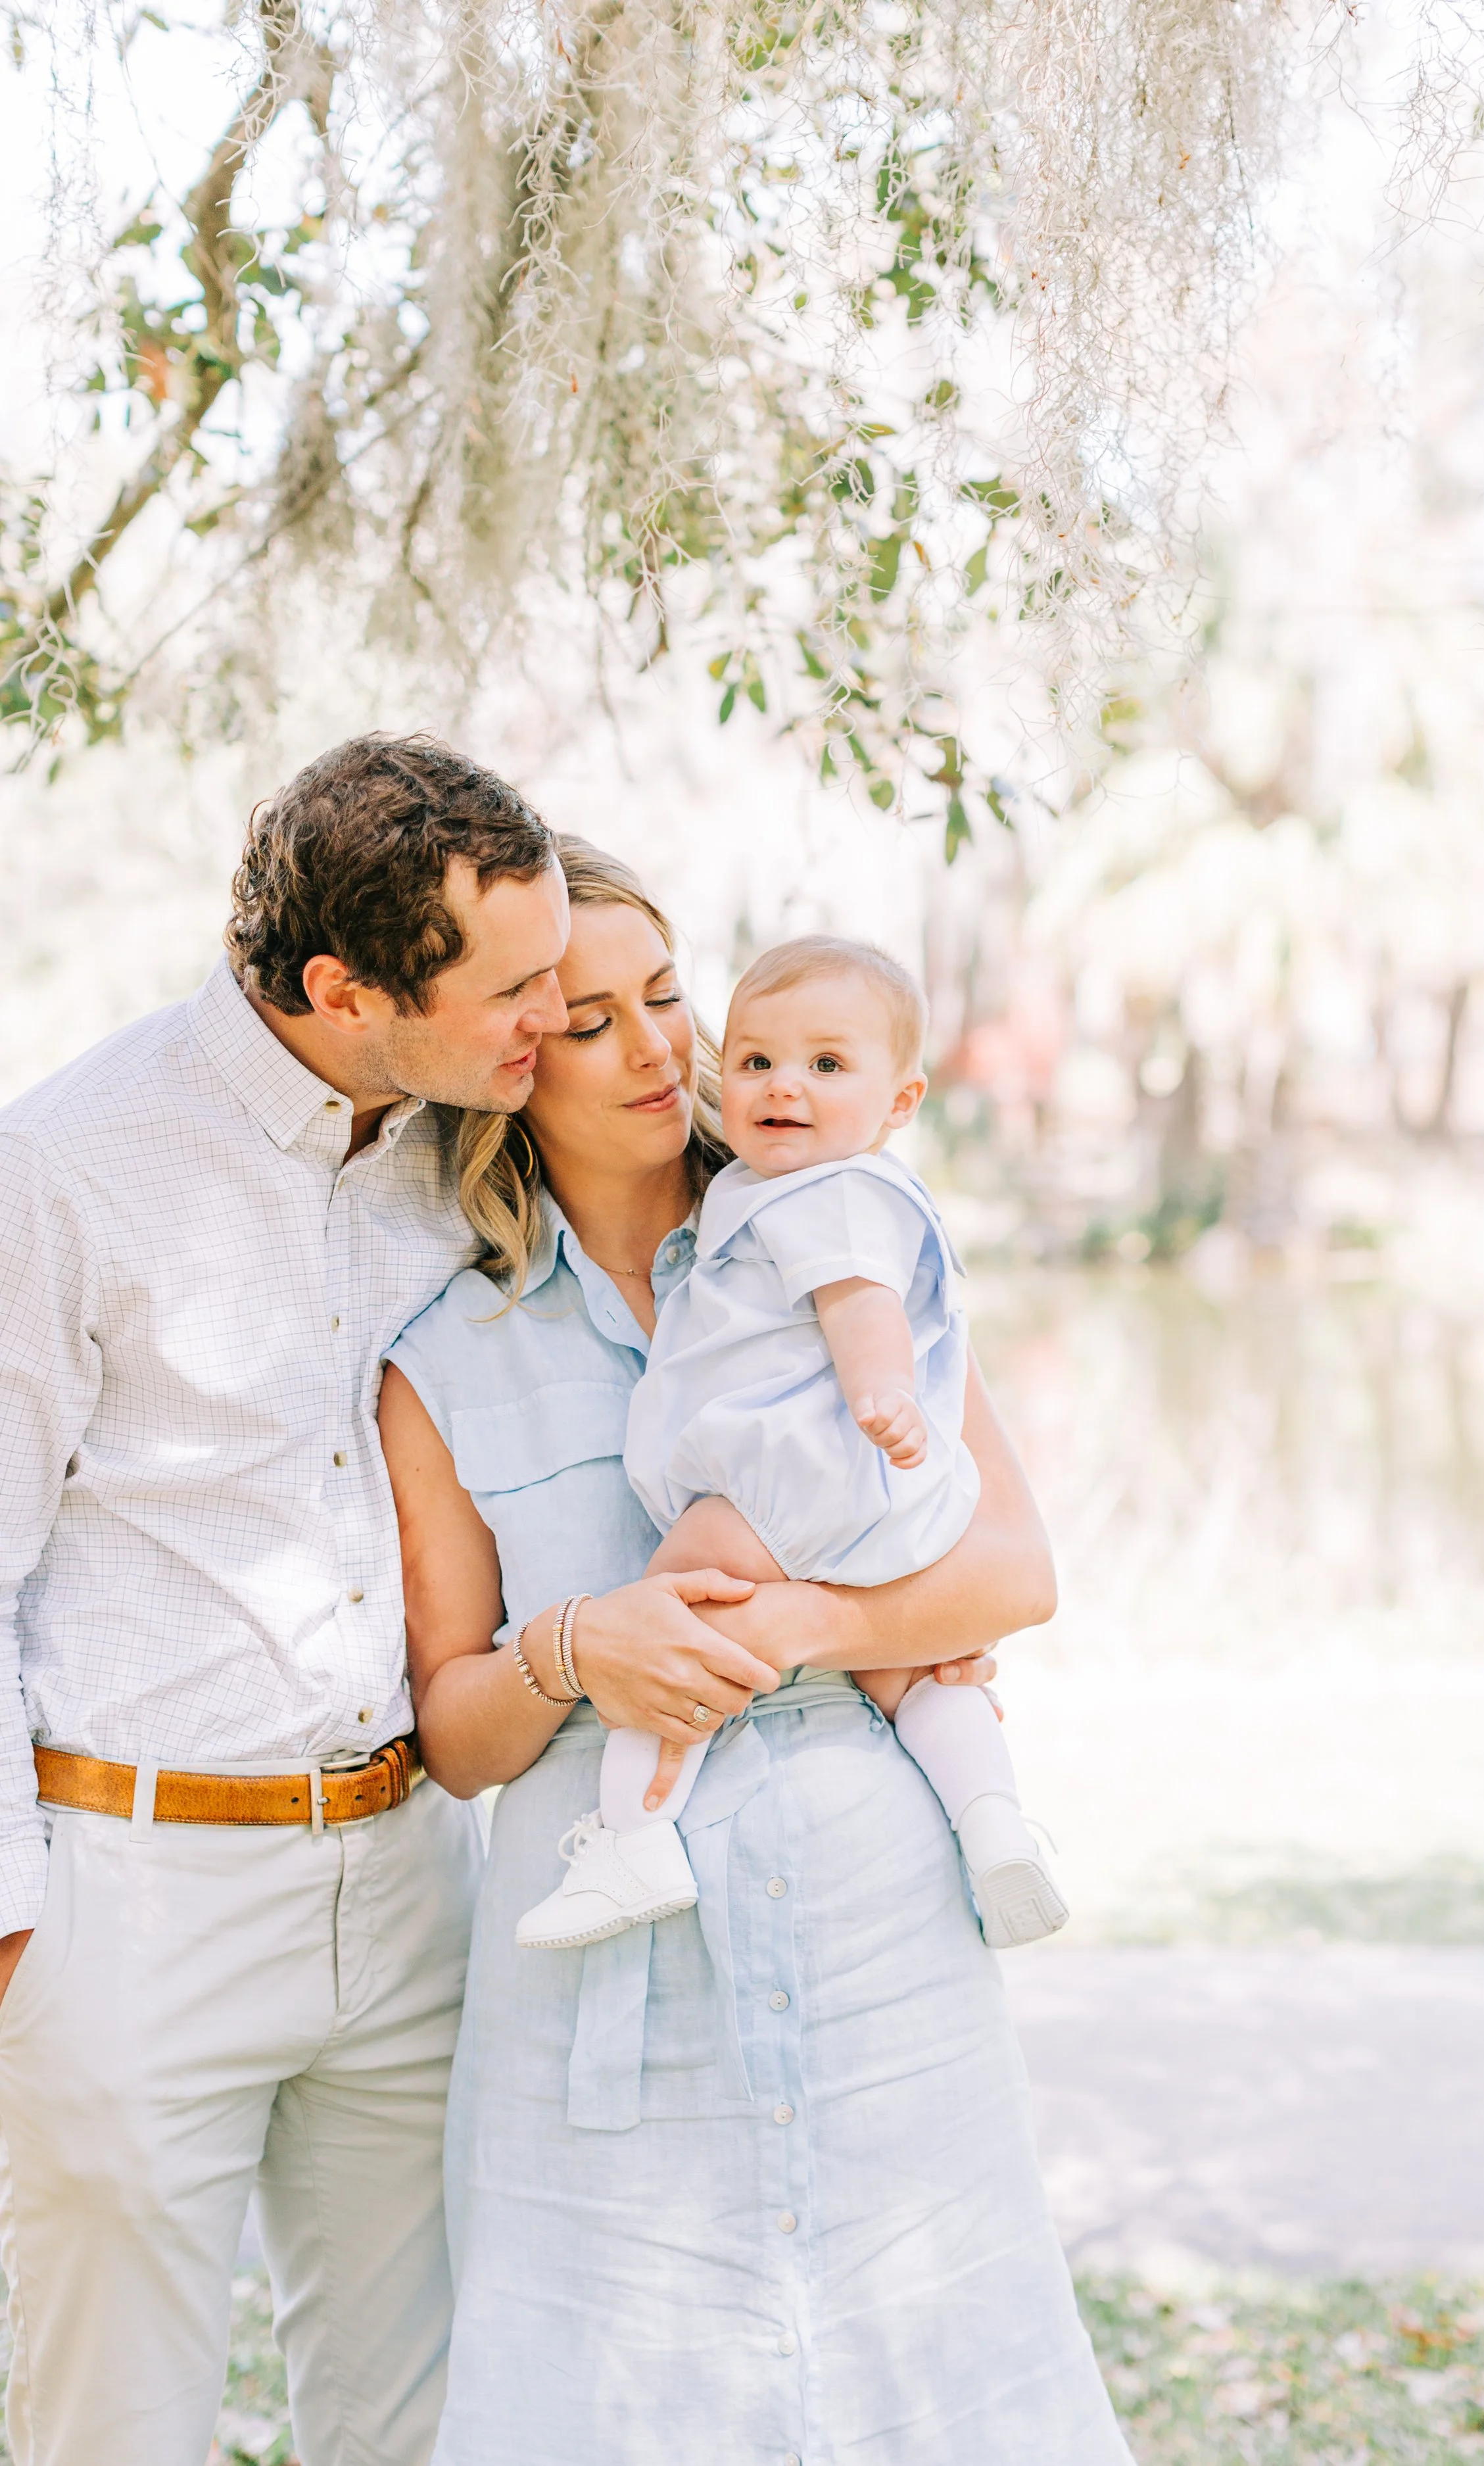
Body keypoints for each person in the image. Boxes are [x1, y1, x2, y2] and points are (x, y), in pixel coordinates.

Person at [0, 740, 778, 2466]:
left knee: (426, 2423)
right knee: (114, 2429)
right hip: (136, 1895)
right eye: (516, 989)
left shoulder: (466, 1137)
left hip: (419, 1880)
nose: (551, 1016)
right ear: (345, 992)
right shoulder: (65, 1168)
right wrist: (17, 1939)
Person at [380, 838, 1136, 2465]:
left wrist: (809, 1626)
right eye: (589, 1022)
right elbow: (453, 1733)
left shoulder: (851, 1233)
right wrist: (575, 1650)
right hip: (605, 1971)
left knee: (939, 2400)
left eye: (667, 997)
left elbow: (1011, 1571)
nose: (658, 1049)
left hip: (878, 1941)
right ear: (510, 1063)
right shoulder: (444, 1355)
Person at [517, 931, 1067, 1956]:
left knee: (672, 1612)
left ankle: (634, 1836)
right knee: (918, 1675)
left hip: (797, 1479)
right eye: (759, 1059)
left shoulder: (826, 1190)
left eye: (826, 1064)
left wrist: (881, 1392)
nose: (783, 1085)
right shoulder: (785, 1184)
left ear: (900, 1101)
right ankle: (993, 1826)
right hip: (871, 1497)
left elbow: (861, 1303)